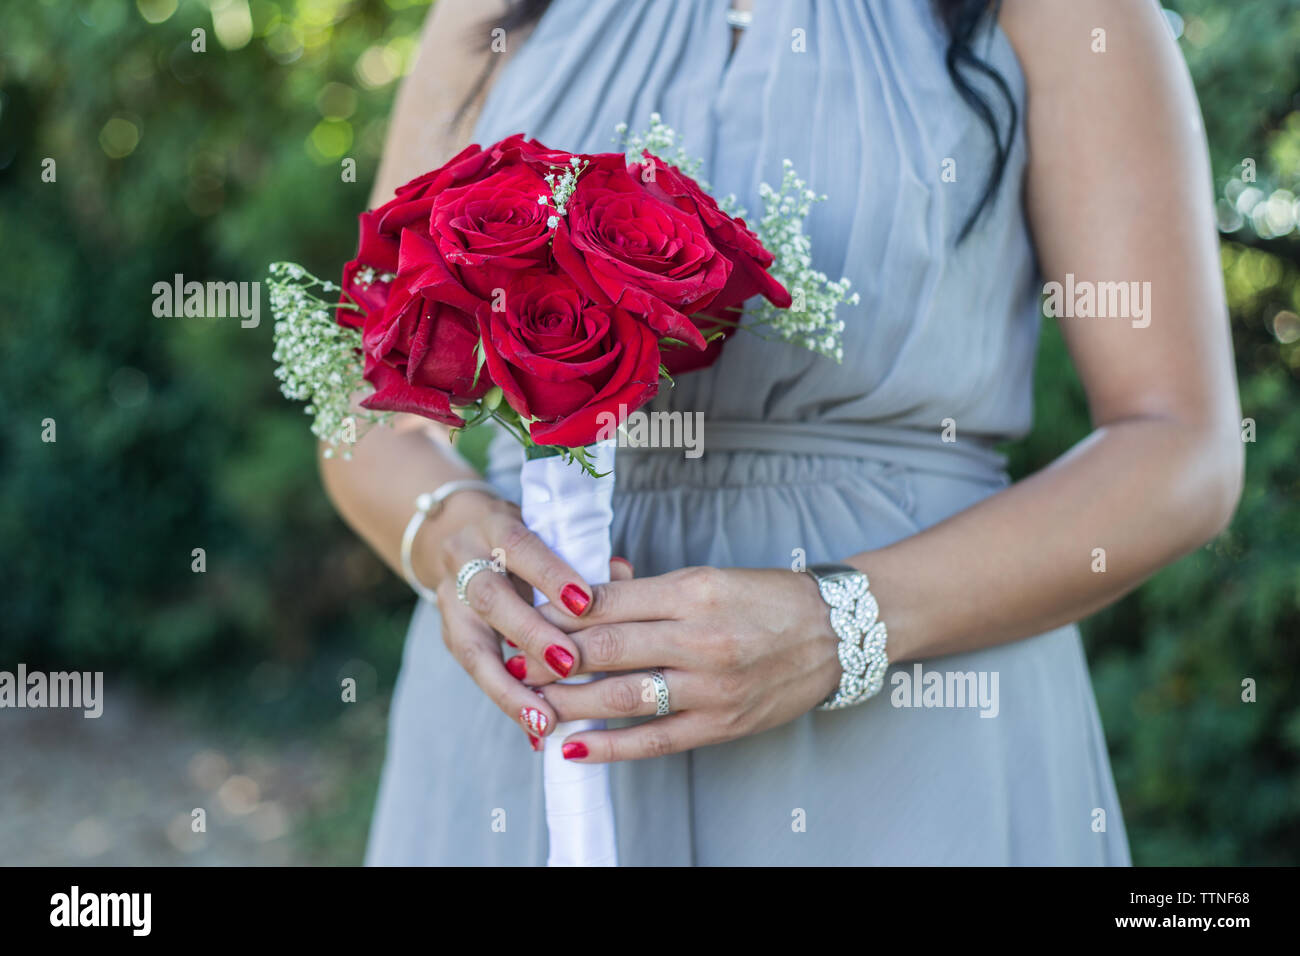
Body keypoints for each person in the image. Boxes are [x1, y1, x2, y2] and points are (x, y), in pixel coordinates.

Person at [322, 0, 1242, 865]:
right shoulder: (492, 13)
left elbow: (1179, 445)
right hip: (530, 719)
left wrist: (839, 624)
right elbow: (367, 413)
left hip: (905, 730)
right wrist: (455, 539)